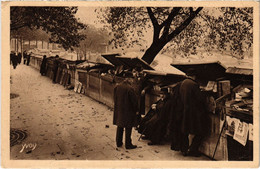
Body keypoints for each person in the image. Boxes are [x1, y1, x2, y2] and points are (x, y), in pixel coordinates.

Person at [175, 69, 210, 157]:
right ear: (194, 76)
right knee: (200, 131)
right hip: (194, 113)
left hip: (184, 111)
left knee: (184, 131)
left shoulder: (183, 83)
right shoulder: (194, 84)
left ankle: (184, 150)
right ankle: (193, 150)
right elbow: (199, 99)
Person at [113, 78, 139, 149]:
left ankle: (118, 142)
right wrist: (136, 110)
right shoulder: (130, 89)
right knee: (128, 127)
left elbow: (114, 98)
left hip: (119, 110)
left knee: (120, 125)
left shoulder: (117, 86)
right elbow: (134, 102)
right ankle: (128, 144)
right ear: (129, 80)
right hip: (128, 111)